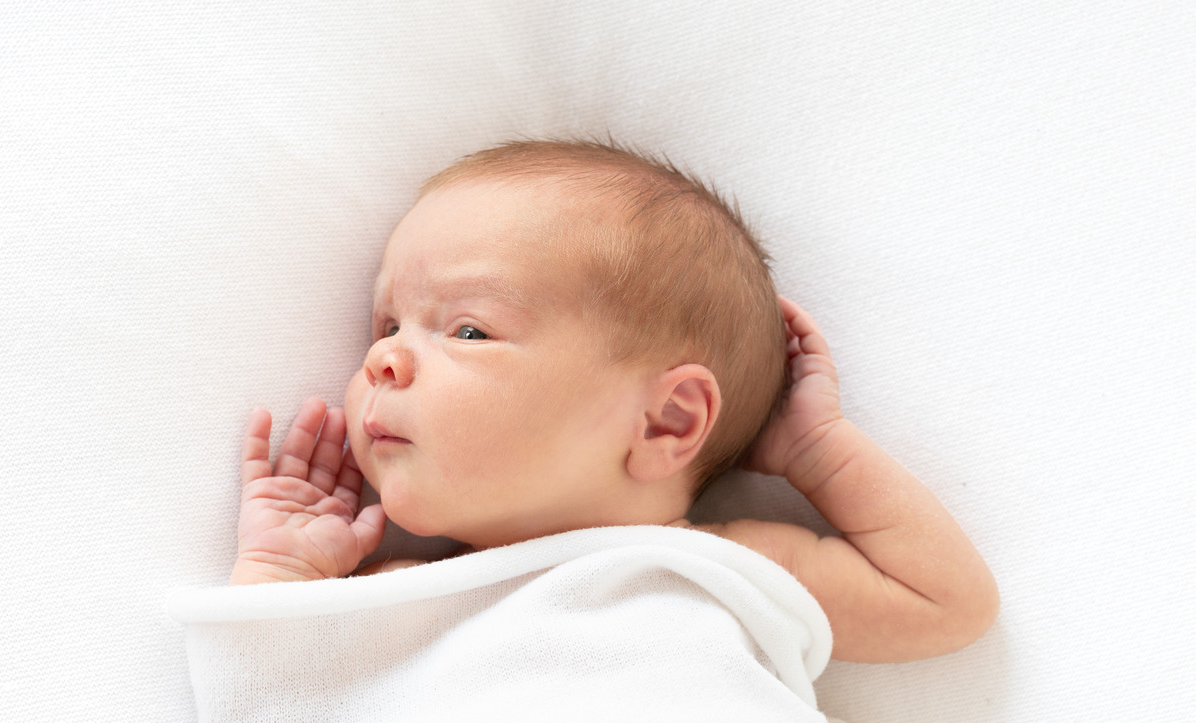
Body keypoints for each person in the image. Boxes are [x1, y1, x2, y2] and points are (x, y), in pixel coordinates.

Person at [225, 139, 998, 664]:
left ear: (667, 421)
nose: (382, 358)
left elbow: (946, 603)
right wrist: (279, 573)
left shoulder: (715, 570)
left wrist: (816, 450)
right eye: (390, 324)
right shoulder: (397, 598)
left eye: (467, 328)